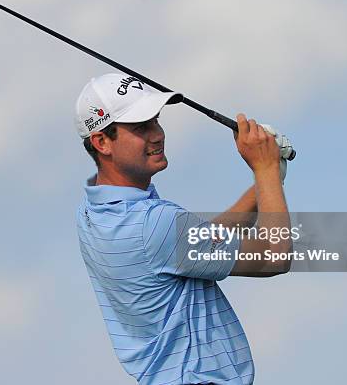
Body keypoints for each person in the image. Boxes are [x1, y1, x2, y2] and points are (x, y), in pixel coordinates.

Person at [75, 73, 293, 385]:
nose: (157, 134)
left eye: (155, 120)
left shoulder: (90, 213)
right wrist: (265, 167)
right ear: (101, 142)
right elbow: (276, 256)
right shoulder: (155, 224)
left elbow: (199, 244)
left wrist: (268, 182)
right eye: (140, 127)